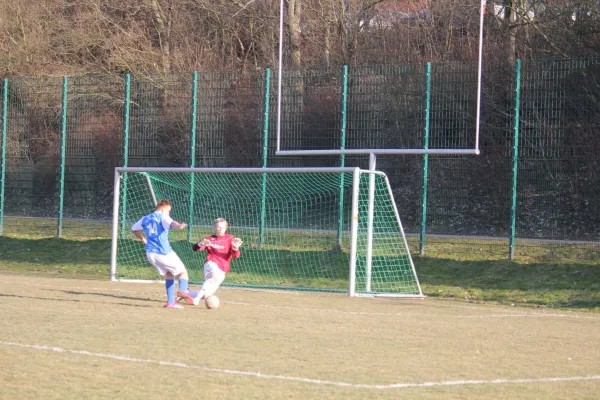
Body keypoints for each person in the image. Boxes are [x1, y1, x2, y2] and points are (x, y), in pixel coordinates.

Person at [131, 200, 190, 309]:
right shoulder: (163, 217)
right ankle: (183, 291)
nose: (169, 213)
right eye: (169, 210)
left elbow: (134, 229)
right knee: (183, 272)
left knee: (169, 273)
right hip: (162, 252)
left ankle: (171, 303)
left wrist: (143, 239)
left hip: (150, 253)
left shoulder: (145, 218)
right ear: (163, 208)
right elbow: (172, 223)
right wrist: (179, 226)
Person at [178, 218, 242, 306]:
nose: (220, 229)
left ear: (226, 228)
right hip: (211, 263)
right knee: (212, 277)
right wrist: (201, 244)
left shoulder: (230, 239)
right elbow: (195, 248)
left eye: (222, 227)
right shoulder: (209, 239)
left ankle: (186, 293)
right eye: (218, 227)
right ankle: (196, 300)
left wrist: (235, 248)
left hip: (222, 268)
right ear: (214, 227)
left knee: (206, 295)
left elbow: (236, 256)